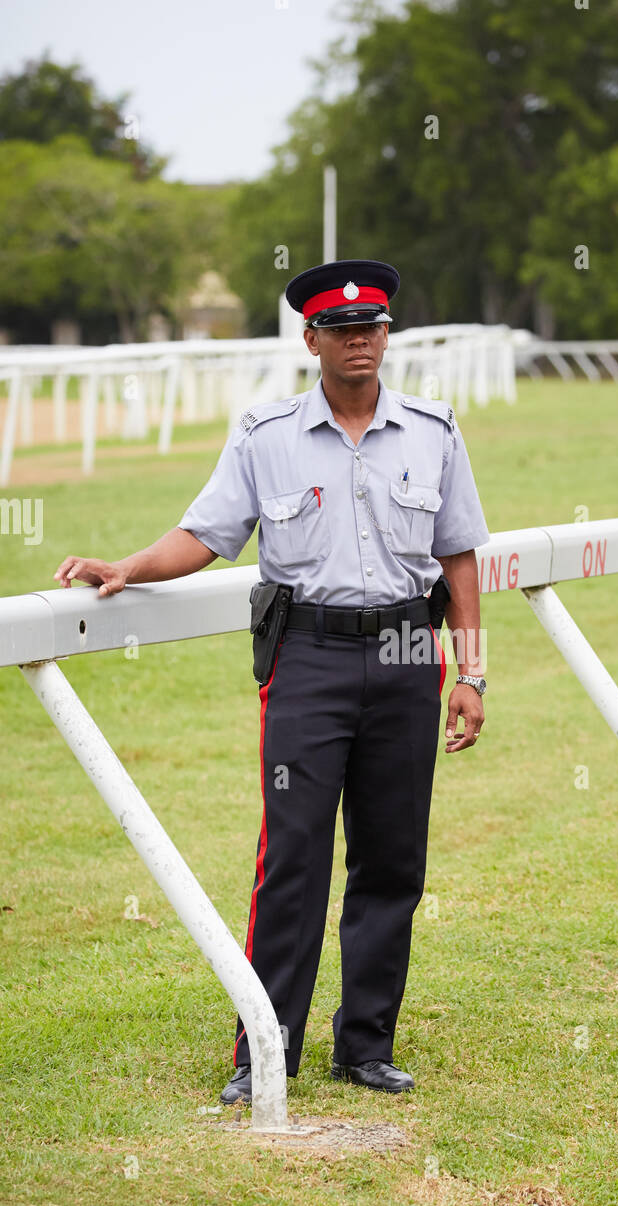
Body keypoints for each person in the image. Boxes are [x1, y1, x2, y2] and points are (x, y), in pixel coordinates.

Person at [53, 258, 490, 1099]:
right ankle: (266, 1050)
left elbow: (459, 552)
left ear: (388, 336)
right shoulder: (267, 435)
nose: (360, 341)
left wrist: (472, 671)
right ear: (312, 339)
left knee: (393, 861)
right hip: (310, 660)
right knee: (292, 857)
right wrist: (130, 566)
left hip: (407, 656)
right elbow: (207, 533)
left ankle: (364, 1046)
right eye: (343, 330)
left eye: (374, 328)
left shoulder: (435, 430)